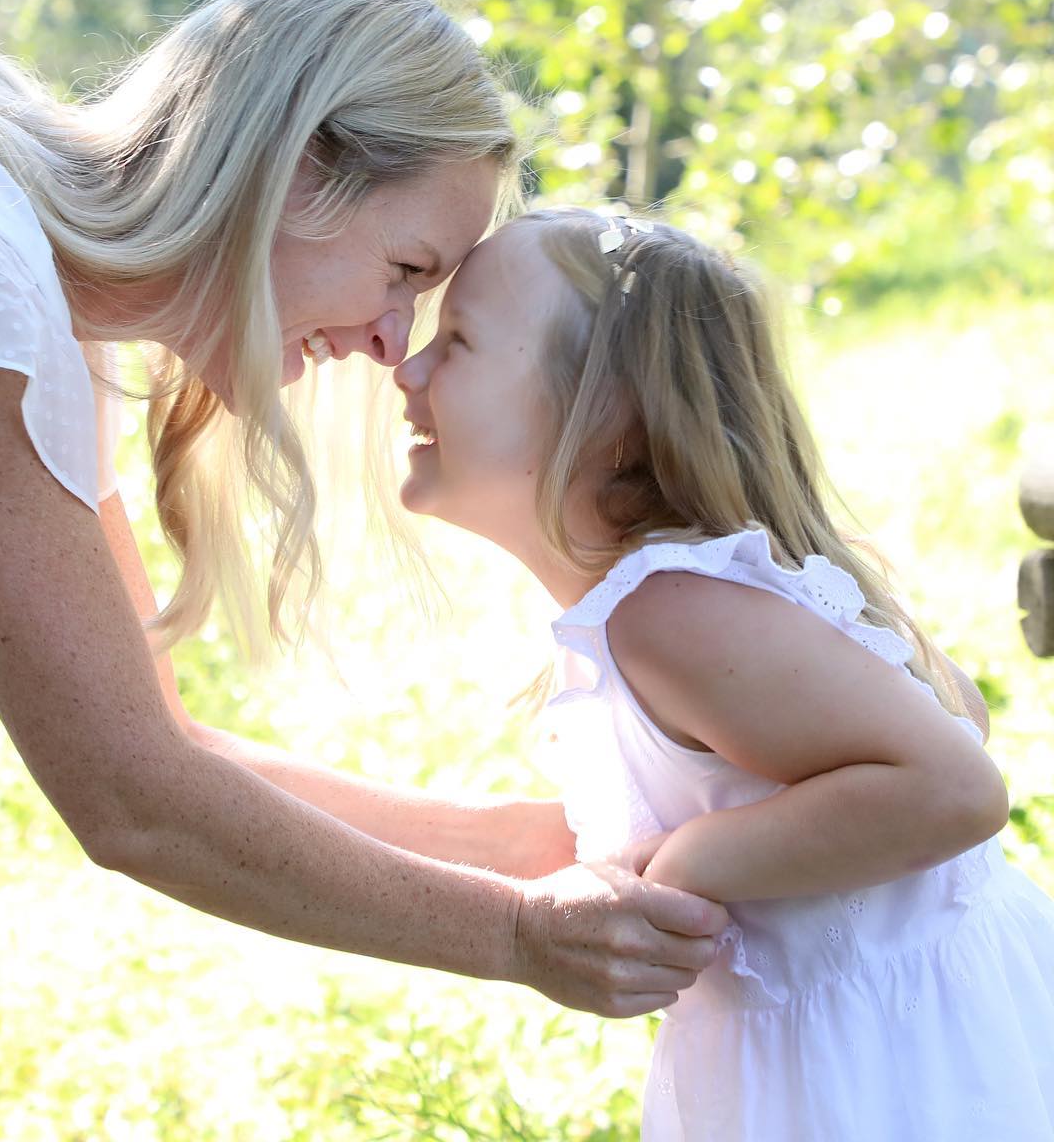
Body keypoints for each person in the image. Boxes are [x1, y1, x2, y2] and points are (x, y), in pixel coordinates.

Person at [0, 0, 728, 1140]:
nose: (391, 343)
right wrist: (516, 937)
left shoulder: (37, 297)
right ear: (294, 170)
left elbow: (165, 743)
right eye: (405, 271)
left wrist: (542, 847)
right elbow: (130, 799)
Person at [391, 206, 1054, 1141]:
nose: (407, 372)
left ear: (605, 415)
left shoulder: (671, 612)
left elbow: (953, 783)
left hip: (886, 1077)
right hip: (841, 1051)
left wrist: (691, 866)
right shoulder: (665, 607)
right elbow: (953, 715)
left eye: (455, 343)